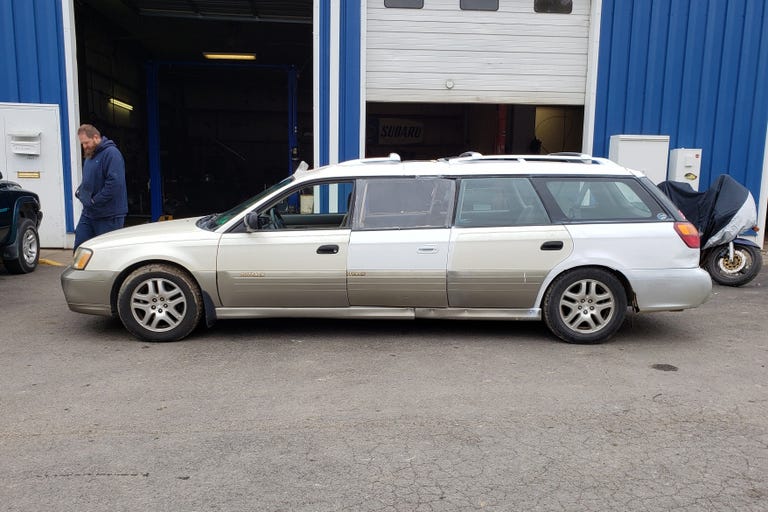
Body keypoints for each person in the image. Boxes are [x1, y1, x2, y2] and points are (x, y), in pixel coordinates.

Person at [73, 124, 128, 250]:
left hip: (109, 215)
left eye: (86, 143)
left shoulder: (112, 154)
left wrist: (94, 200)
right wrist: (81, 192)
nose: (84, 146)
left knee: (106, 252)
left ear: (96, 137)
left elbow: (114, 184)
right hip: (89, 213)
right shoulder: (90, 155)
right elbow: (89, 180)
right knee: (80, 248)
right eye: (82, 143)